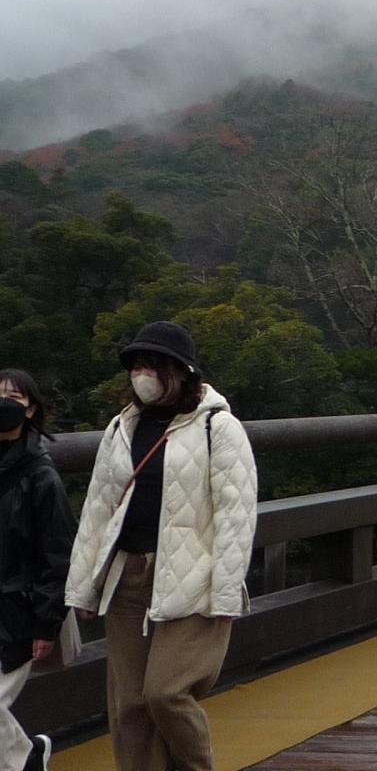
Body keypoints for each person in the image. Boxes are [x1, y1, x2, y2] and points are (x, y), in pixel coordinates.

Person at [65, 322, 258, 771]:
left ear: (180, 371)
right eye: (136, 366)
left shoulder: (217, 427)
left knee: (165, 692)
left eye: (152, 365)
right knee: (129, 704)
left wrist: (225, 592)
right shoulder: (122, 427)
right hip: (127, 574)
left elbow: (236, 516)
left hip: (194, 576)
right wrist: (82, 587)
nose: (142, 374)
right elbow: (98, 510)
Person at [0, 370, 75, 771]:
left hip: (18, 611)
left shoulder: (41, 477)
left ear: (30, 409)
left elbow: (58, 553)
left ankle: (27, 758)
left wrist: (47, 623)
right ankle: (28, 757)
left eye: (13, 397)